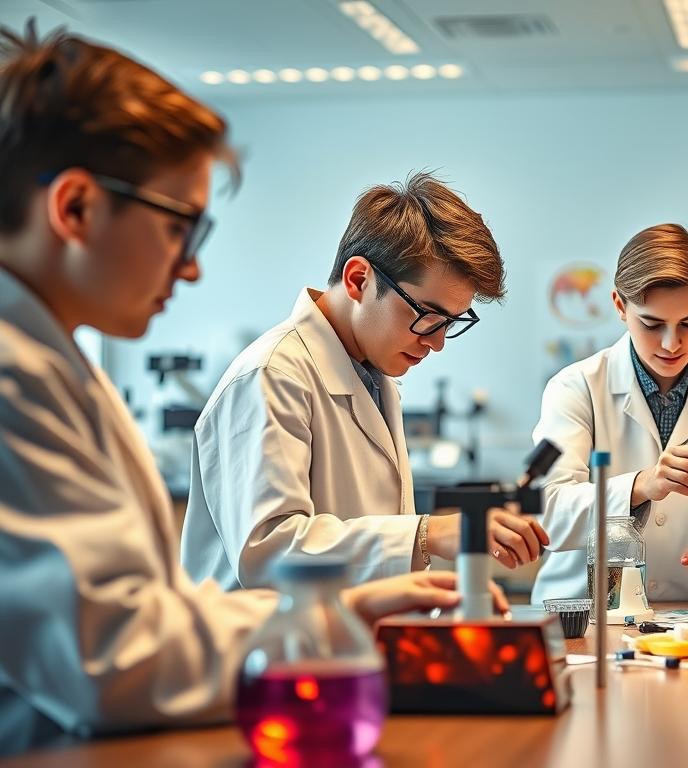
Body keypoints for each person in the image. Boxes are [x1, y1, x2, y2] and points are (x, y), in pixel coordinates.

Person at [0, 24, 503, 754]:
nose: (193, 270)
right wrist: (346, 613)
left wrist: (353, 611)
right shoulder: (20, 380)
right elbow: (115, 655)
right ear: (75, 209)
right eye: (181, 229)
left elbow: (139, 620)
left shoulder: (51, 364)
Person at [180, 173, 548, 590]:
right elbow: (268, 553)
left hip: (344, 643)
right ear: (358, 279)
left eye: (451, 322)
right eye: (428, 316)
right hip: (268, 648)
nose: (439, 343)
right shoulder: (271, 376)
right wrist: (429, 534)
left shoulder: (373, 377)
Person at [530, 224, 688, 603]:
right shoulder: (576, 387)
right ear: (620, 306)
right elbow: (548, 508)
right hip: (583, 615)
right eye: (651, 324)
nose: (672, 343)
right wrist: (641, 486)